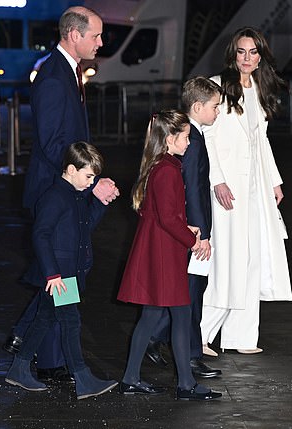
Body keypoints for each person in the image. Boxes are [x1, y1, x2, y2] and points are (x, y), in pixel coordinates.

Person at [2, 6, 119, 384]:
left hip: (68, 186)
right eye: (96, 36)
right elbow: (54, 144)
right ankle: (46, 360)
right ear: (74, 35)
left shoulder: (66, 71)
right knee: (62, 276)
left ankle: (32, 348)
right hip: (57, 189)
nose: (101, 42)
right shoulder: (54, 77)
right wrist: (88, 177)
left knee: (64, 276)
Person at [117, 110, 222, 401]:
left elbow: (162, 214)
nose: (189, 143)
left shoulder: (160, 165)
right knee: (177, 314)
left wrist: (184, 228)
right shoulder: (167, 169)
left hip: (159, 248)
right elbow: (167, 218)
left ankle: (133, 378)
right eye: (186, 138)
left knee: (153, 316)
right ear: (170, 138)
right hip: (165, 253)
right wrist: (194, 240)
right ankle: (184, 385)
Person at [200, 27, 292, 355]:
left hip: (254, 184)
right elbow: (205, 136)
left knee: (253, 257)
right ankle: (201, 334)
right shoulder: (216, 85)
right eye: (242, 52)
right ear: (233, 53)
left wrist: (274, 180)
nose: (247, 58)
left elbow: (261, 139)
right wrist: (216, 180)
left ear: (261, 55)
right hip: (228, 186)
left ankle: (241, 337)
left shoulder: (260, 87)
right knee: (227, 260)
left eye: (253, 52)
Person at [5, 142, 118, 400]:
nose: (92, 182)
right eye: (88, 176)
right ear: (70, 169)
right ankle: (83, 378)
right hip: (60, 276)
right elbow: (41, 235)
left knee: (44, 318)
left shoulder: (75, 194)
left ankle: (20, 368)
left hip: (67, 273)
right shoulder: (55, 196)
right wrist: (52, 275)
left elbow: (85, 225)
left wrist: (100, 202)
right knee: (70, 321)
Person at [146, 77, 224, 378]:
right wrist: (200, 233)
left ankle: (157, 338)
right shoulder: (192, 140)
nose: (218, 112)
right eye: (215, 107)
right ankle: (190, 356)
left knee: (189, 290)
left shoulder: (193, 136)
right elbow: (192, 187)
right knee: (191, 292)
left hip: (190, 227)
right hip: (192, 230)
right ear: (197, 106)